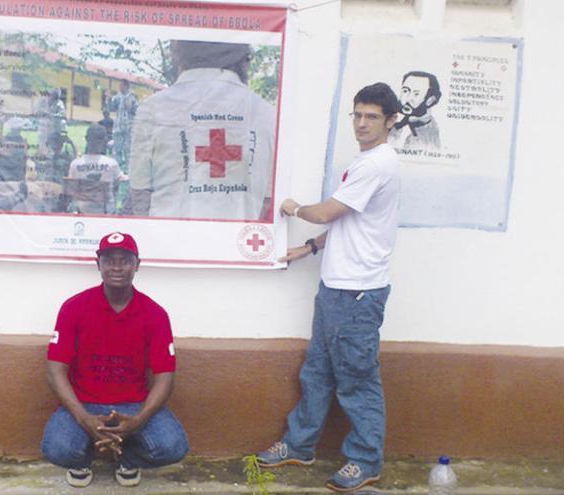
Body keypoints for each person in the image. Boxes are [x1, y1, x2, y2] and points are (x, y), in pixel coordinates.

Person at [254, 83, 401, 493]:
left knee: (357, 381)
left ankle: (366, 459)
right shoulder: (365, 161)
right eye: (357, 115)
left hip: (357, 293)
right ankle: (300, 445)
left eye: (372, 116)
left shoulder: (378, 164)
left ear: (391, 121)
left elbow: (326, 213)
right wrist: (311, 247)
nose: (361, 123)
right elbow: (352, 222)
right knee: (316, 372)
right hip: (337, 288)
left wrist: (294, 209)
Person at [41, 232, 189, 488]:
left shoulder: (155, 314)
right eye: (109, 260)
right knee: (56, 448)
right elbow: (55, 370)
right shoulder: (74, 307)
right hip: (83, 402)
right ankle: (82, 460)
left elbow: (166, 377)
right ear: (99, 265)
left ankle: (127, 458)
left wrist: (138, 420)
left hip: (134, 404)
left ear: (137, 265)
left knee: (173, 446)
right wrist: (83, 417)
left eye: (125, 260)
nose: (117, 267)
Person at [129, 40, 275, 221]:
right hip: (235, 243)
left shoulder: (152, 109)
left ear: (178, 54)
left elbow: (140, 191)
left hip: (167, 241)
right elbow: (267, 199)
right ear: (241, 57)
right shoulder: (266, 113)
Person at [66, 124, 126, 214]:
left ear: (86, 139)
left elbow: (72, 191)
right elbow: (119, 185)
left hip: (82, 214)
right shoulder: (111, 164)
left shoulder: (75, 164)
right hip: (106, 214)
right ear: (105, 140)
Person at [388, 71, 442, 149]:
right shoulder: (392, 122)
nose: (408, 98)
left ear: (430, 100)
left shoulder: (430, 134)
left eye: (416, 94)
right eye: (405, 91)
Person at [108, 80, 138, 170]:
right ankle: (116, 169)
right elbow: (112, 108)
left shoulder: (132, 97)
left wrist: (129, 105)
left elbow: (135, 111)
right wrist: (109, 99)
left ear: (126, 86)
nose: (119, 87)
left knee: (128, 150)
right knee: (116, 150)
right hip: (118, 127)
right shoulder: (117, 97)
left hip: (128, 127)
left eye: (121, 85)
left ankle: (129, 170)